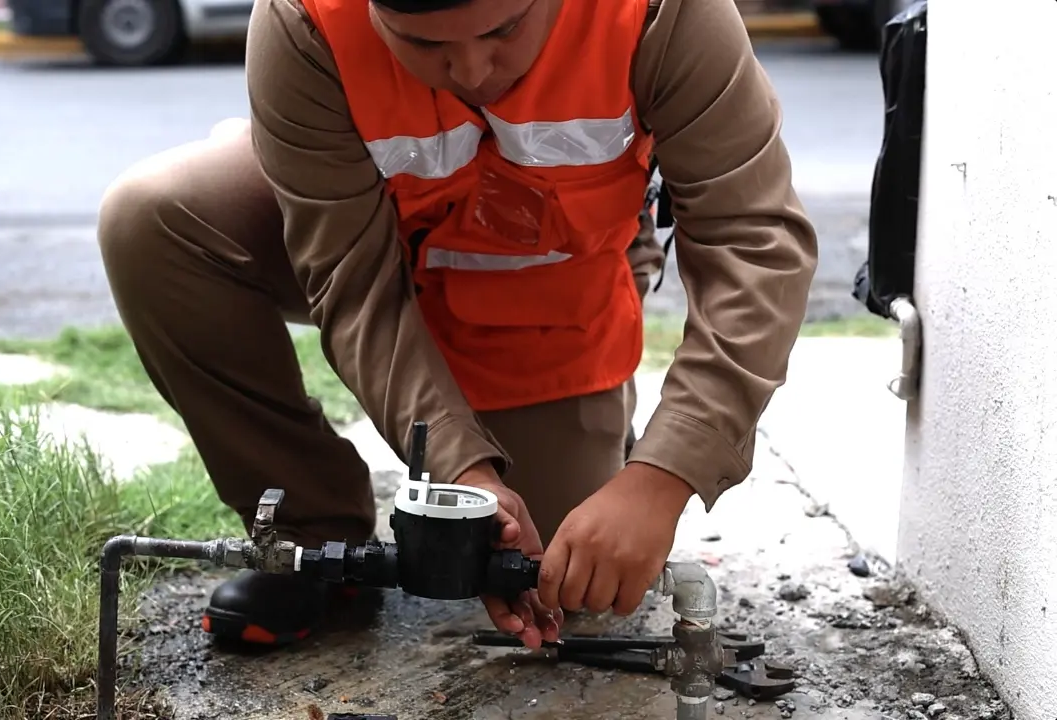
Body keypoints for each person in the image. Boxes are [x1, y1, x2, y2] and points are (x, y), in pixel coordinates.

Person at [96, 0, 817, 652]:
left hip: (546, 290)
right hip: (376, 241)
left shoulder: (664, 11)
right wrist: (461, 477)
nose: (470, 70)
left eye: (504, 28)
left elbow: (755, 243)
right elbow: (355, 285)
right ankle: (310, 532)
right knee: (153, 218)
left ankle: (597, 429)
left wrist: (660, 478)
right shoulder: (305, 17)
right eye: (422, 42)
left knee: (565, 583)